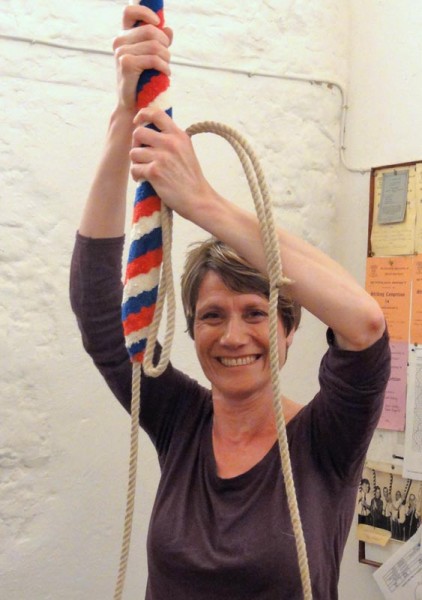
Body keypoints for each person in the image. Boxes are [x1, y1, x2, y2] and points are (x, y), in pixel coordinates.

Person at [69, 4, 390, 599]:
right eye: (212, 315)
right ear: (192, 329)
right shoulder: (180, 420)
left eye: (257, 313)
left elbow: (365, 323)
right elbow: (98, 313)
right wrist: (124, 116)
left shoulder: (326, 439)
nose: (234, 335)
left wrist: (201, 201)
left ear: (289, 328)